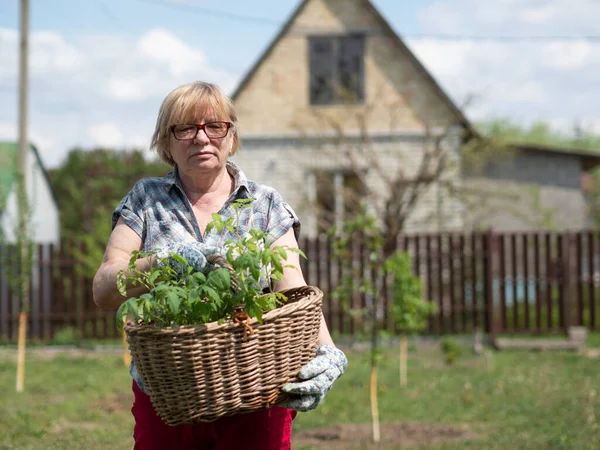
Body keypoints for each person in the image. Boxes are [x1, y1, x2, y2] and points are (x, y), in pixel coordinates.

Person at [92, 81, 348, 450]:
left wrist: (329, 354)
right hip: (169, 391)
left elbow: (292, 290)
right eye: (185, 128)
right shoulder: (146, 201)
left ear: (231, 136)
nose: (201, 138)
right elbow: (104, 288)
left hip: (258, 386)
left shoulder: (264, 204)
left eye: (215, 126)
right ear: (166, 141)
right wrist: (163, 262)